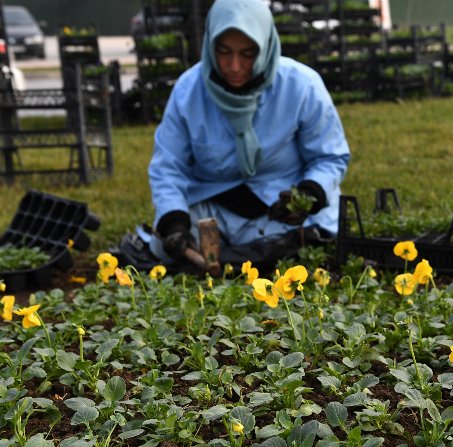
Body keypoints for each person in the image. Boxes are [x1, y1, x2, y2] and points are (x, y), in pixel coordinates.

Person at [147, 0, 350, 265]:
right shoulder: (188, 91)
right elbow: (167, 168)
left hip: (282, 213)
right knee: (165, 244)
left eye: (247, 53)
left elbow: (330, 158)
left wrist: (307, 197)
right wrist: (174, 223)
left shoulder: (301, 86)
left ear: (265, 46)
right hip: (215, 208)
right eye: (223, 52)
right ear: (209, 45)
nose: (233, 66)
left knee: (312, 240)